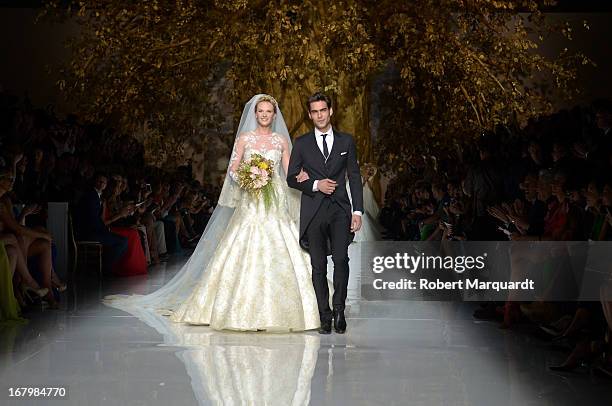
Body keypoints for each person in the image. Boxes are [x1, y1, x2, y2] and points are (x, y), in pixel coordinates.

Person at [106, 94, 319, 332]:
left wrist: (307, 179)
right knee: (242, 243)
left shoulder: (280, 141)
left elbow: (289, 171)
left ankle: (283, 307)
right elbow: (233, 169)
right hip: (251, 199)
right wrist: (249, 179)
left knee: (281, 243)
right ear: (255, 113)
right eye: (261, 111)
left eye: (269, 112)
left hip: (274, 200)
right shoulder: (244, 139)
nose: (264, 115)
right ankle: (235, 307)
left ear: (274, 115)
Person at [287, 92, 364, 334]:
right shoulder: (301, 143)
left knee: (341, 259)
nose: (320, 115)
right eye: (315, 111)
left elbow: (353, 176)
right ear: (310, 115)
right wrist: (315, 184)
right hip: (313, 211)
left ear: (330, 111)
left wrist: (358, 211)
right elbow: (291, 177)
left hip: (340, 209)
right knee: (318, 266)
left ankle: (339, 310)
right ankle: (325, 315)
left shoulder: (346, 141)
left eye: (323, 110)